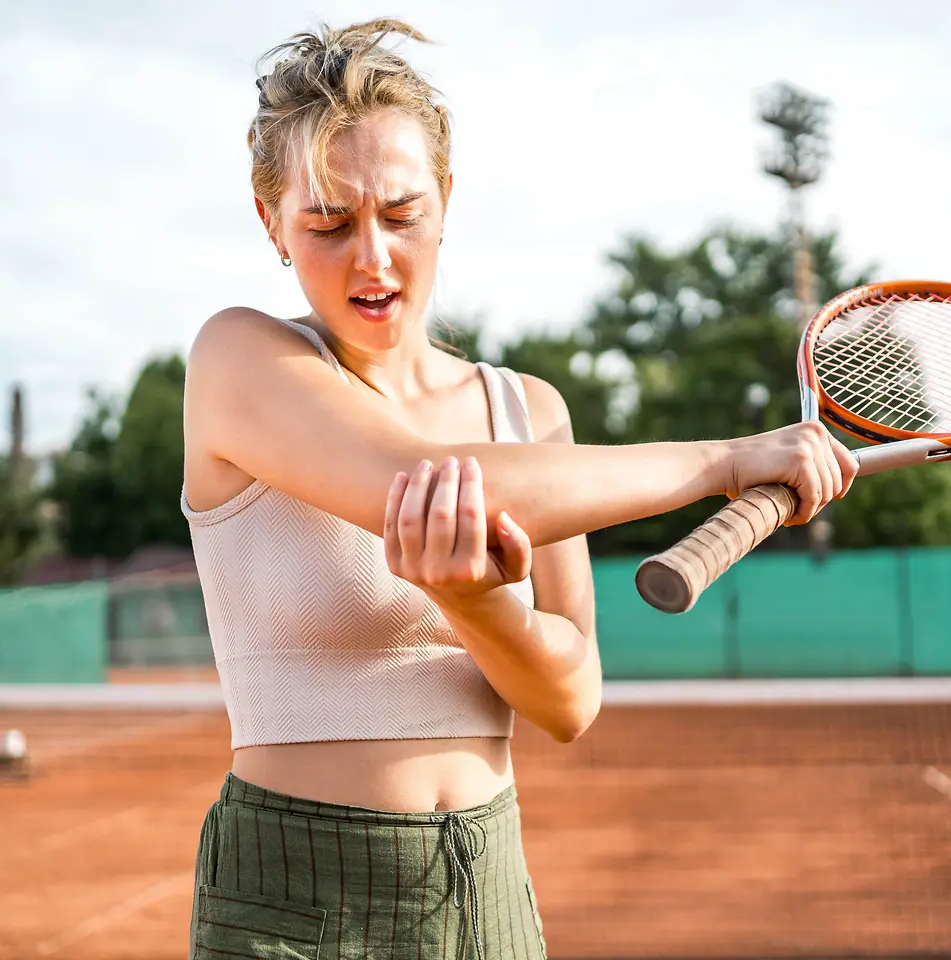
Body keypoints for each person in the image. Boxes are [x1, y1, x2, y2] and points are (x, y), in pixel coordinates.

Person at [182, 18, 857, 959]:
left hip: (489, 892)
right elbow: (415, 483)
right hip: (296, 898)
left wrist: (476, 606)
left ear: (447, 200)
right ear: (271, 223)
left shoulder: (527, 411)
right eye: (328, 223)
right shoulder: (238, 356)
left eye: (402, 214)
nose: (371, 258)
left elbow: (570, 702)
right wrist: (725, 461)